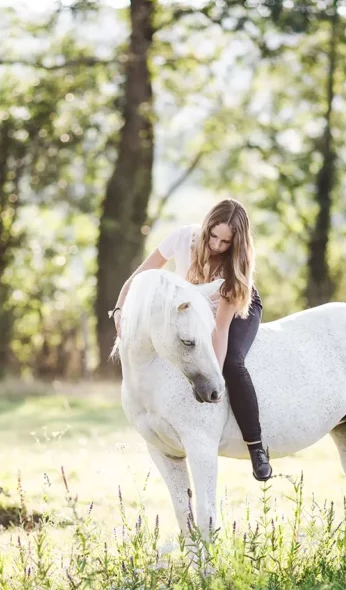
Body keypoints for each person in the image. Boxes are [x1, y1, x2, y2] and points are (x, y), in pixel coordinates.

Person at [110, 198, 272, 481]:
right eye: (214, 236)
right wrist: (120, 308)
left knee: (233, 364)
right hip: (194, 310)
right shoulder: (182, 238)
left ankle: (255, 446)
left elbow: (220, 329)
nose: (217, 245)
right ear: (206, 227)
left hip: (236, 309)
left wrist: (214, 376)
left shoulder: (235, 267)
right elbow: (139, 277)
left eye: (226, 242)